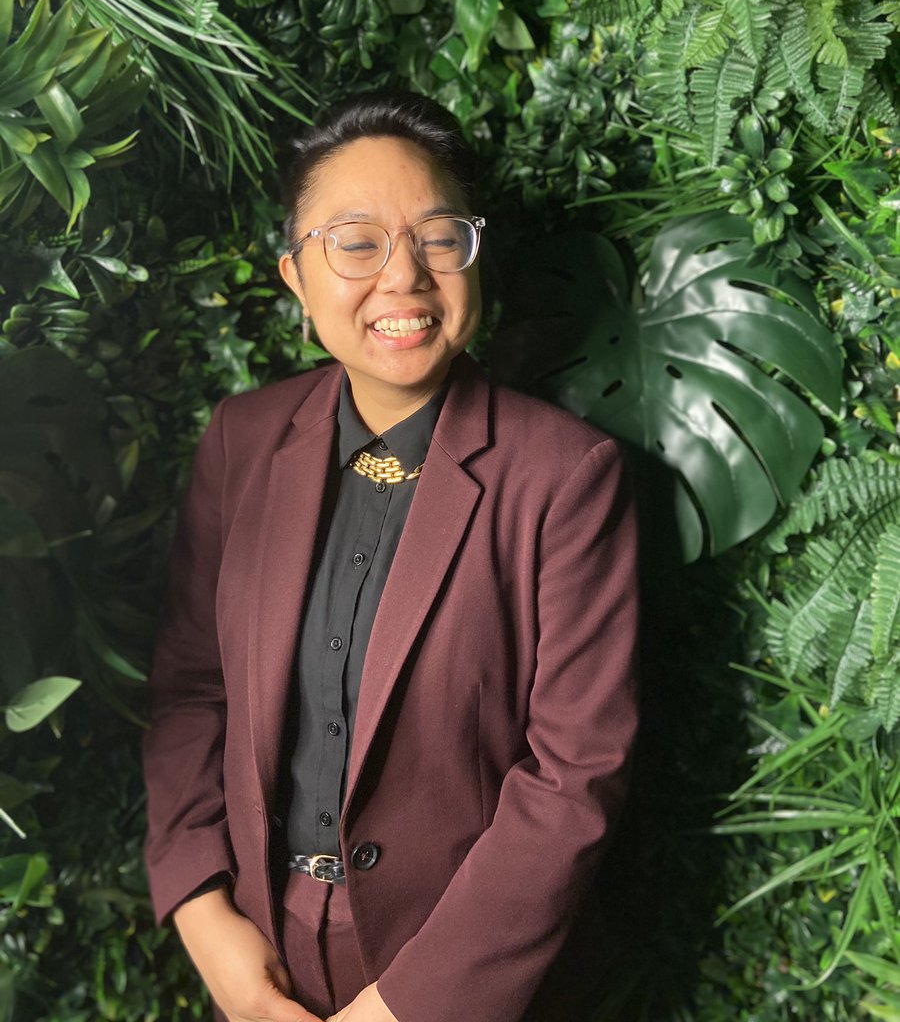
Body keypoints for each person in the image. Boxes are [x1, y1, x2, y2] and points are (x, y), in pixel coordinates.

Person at [143, 90, 639, 1022]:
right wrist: (207, 918)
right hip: (265, 964)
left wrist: (406, 1007)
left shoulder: (567, 477)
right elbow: (190, 690)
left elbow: (575, 778)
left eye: (438, 236)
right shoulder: (240, 441)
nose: (404, 277)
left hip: (468, 981)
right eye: (357, 242)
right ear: (295, 275)